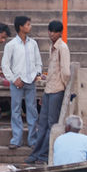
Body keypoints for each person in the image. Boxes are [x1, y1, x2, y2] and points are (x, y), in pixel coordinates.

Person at [28, 20, 71, 164]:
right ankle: (36, 154)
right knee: (42, 124)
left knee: (52, 125)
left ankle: (43, 155)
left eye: (55, 32)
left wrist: (64, 88)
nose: (52, 34)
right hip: (49, 90)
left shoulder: (62, 48)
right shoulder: (52, 47)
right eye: (50, 31)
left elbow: (66, 72)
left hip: (57, 90)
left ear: (60, 33)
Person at [2, 15, 42, 150]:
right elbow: (5, 65)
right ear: (20, 27)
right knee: (16, 110)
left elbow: (38, 62)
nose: (30, 27)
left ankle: (33, 140)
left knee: (32, 110)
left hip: (31, 81)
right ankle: (16, 139)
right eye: (28, 24)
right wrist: (14, 79)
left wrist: (37, 74)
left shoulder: (33, 43)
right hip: (17, 83)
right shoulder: (11, 45)